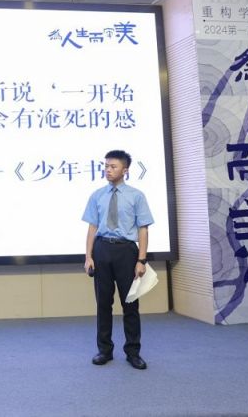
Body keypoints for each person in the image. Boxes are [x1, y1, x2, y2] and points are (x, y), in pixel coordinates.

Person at [82, 149, 153, 370]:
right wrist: (88, 257)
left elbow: (143, 229)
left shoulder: (136, 196)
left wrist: (141, 260)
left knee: (130, 304)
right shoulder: (97, 195)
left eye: (113, 167)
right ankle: (104, 350)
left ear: (125, 170)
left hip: (126, 252)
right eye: (106, 166)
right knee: (103, 303)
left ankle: (133, 352)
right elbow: (92, 227)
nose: (108, 170)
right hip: (102, 249)